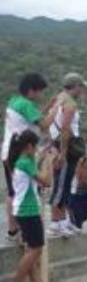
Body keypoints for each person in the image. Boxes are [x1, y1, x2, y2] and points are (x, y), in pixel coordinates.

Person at [7, 130, 58, 282]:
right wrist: (49, 162)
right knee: (35, 249)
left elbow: (34, 169)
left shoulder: (24, 161)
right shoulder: (24, 162)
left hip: (25, 210)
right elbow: (46, 181)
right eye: (35, 148)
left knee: (32, 249)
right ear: (29, 146)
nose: (37, 150)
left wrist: (42, 158)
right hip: (27, 210)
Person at [3, 73, 49, 243]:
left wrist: (48, 107)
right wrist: (57, 107)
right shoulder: (26, 104)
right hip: (21, 154)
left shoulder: (15, 101)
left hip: (9, 151)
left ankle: (13, 228)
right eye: (39, 92)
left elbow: (32, 117)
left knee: (12, 191)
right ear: (31, 90)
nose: (40, 96)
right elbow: (44, 125)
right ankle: (23, 230)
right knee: (23, 190)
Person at [47, 73, 87, 237]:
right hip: (66, 148)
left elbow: (49, 121)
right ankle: (55, 223)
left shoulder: (58, 98)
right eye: (81, 87)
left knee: (63, 184)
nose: (82, 90)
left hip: (59, 144)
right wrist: (63, 153)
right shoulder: (70, 104)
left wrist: (52, 144)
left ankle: (62, 221)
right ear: (76, 86)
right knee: (61, 186)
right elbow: (65, 128)